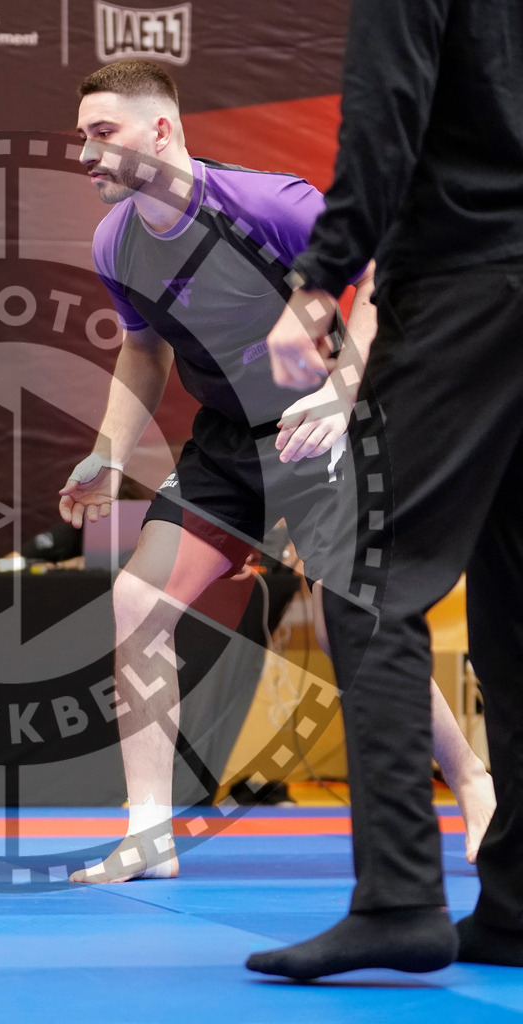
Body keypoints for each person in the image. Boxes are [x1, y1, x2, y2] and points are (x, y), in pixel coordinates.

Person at [57, 59, 493, 886]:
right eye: (83, 135)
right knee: (136, 600)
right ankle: (147, 830)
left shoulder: (273, 207)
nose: (86, 152)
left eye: (102, 133)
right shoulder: (115, 242)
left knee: (350, 619)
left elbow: (375, 282)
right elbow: (144, 351)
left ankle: (474, 781)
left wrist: (339, 392)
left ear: (162, 131)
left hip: (324, 435)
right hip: (226, 445)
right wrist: (110, 448)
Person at [249, 0, 523, 979]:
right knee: (513, 603)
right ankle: (517, 905)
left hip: (468, 275)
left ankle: (400, 894)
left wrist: (322, 279)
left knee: (364, 570)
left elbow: (385, 110)